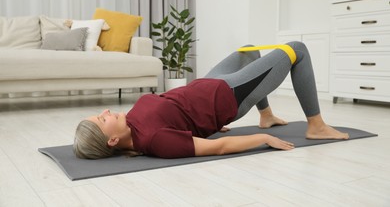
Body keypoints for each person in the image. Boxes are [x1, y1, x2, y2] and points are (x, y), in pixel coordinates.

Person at [73, 41, 349, 159]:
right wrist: (262, 140)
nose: (106, 111)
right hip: (227, 96)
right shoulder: (155, 141)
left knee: (250, 50)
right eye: (102, 119)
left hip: (209, 82)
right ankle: (316, 126)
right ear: (111, 140)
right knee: (297, 50)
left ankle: (266, 115)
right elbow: (217, 147)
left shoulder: (132, 122)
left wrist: (200, 125)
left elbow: (173, 114)